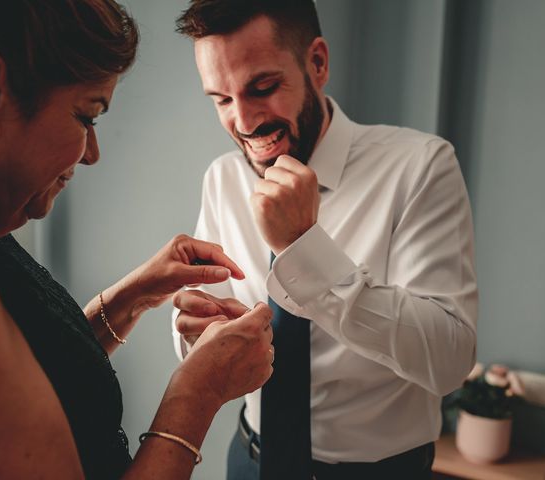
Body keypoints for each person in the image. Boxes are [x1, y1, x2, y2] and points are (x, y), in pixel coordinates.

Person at [0, 1, 274, 479]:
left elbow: (32, 382)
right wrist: (198, 394)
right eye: (87, 116)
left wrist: (134, 296)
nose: (93, 153)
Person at [171, 1, 478, 479]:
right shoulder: (223, 178)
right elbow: (208, 328)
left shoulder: (420, 167)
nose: (245, 122)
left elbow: (450, 360)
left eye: (263, 88)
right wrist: (193, 331)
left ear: (317, 62)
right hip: (250, 460)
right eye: (222, 100)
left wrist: (304, 247)